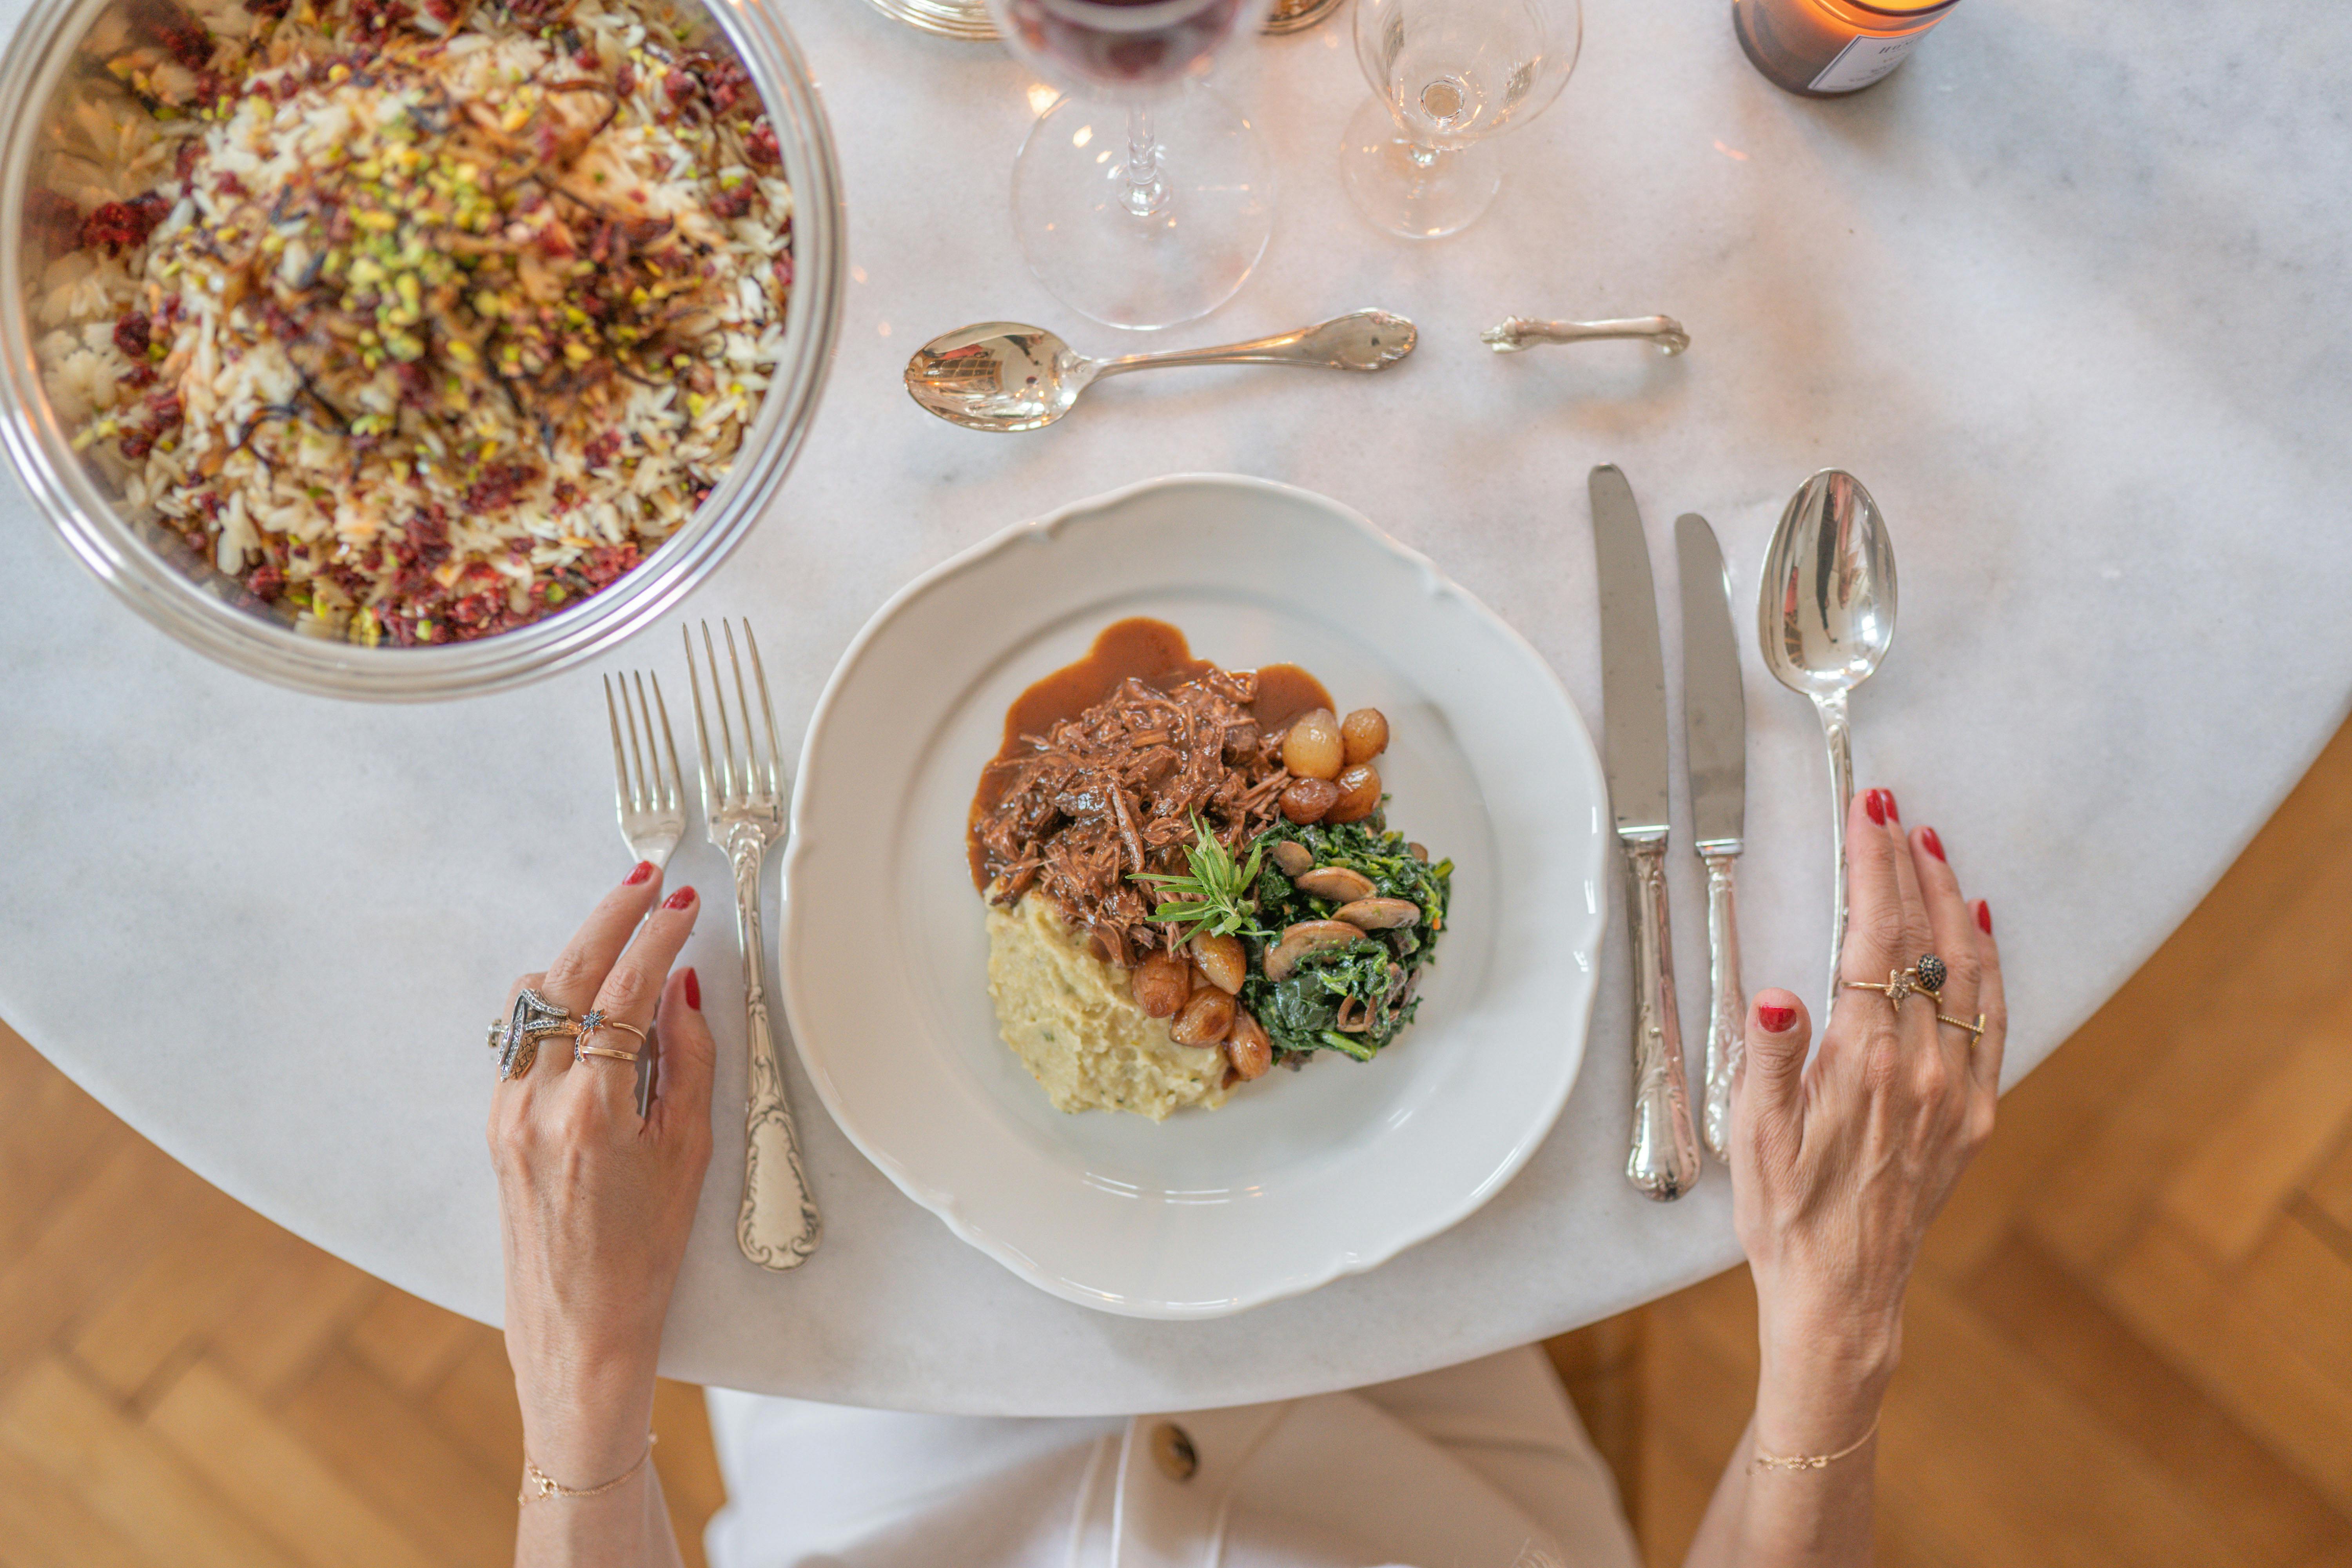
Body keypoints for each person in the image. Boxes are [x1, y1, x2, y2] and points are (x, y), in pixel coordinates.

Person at [486, 786, 2004, 1567]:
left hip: (879, 1404)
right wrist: (1837, 1329)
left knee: (828, 927)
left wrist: (580, 1381)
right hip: (1430, 1425)